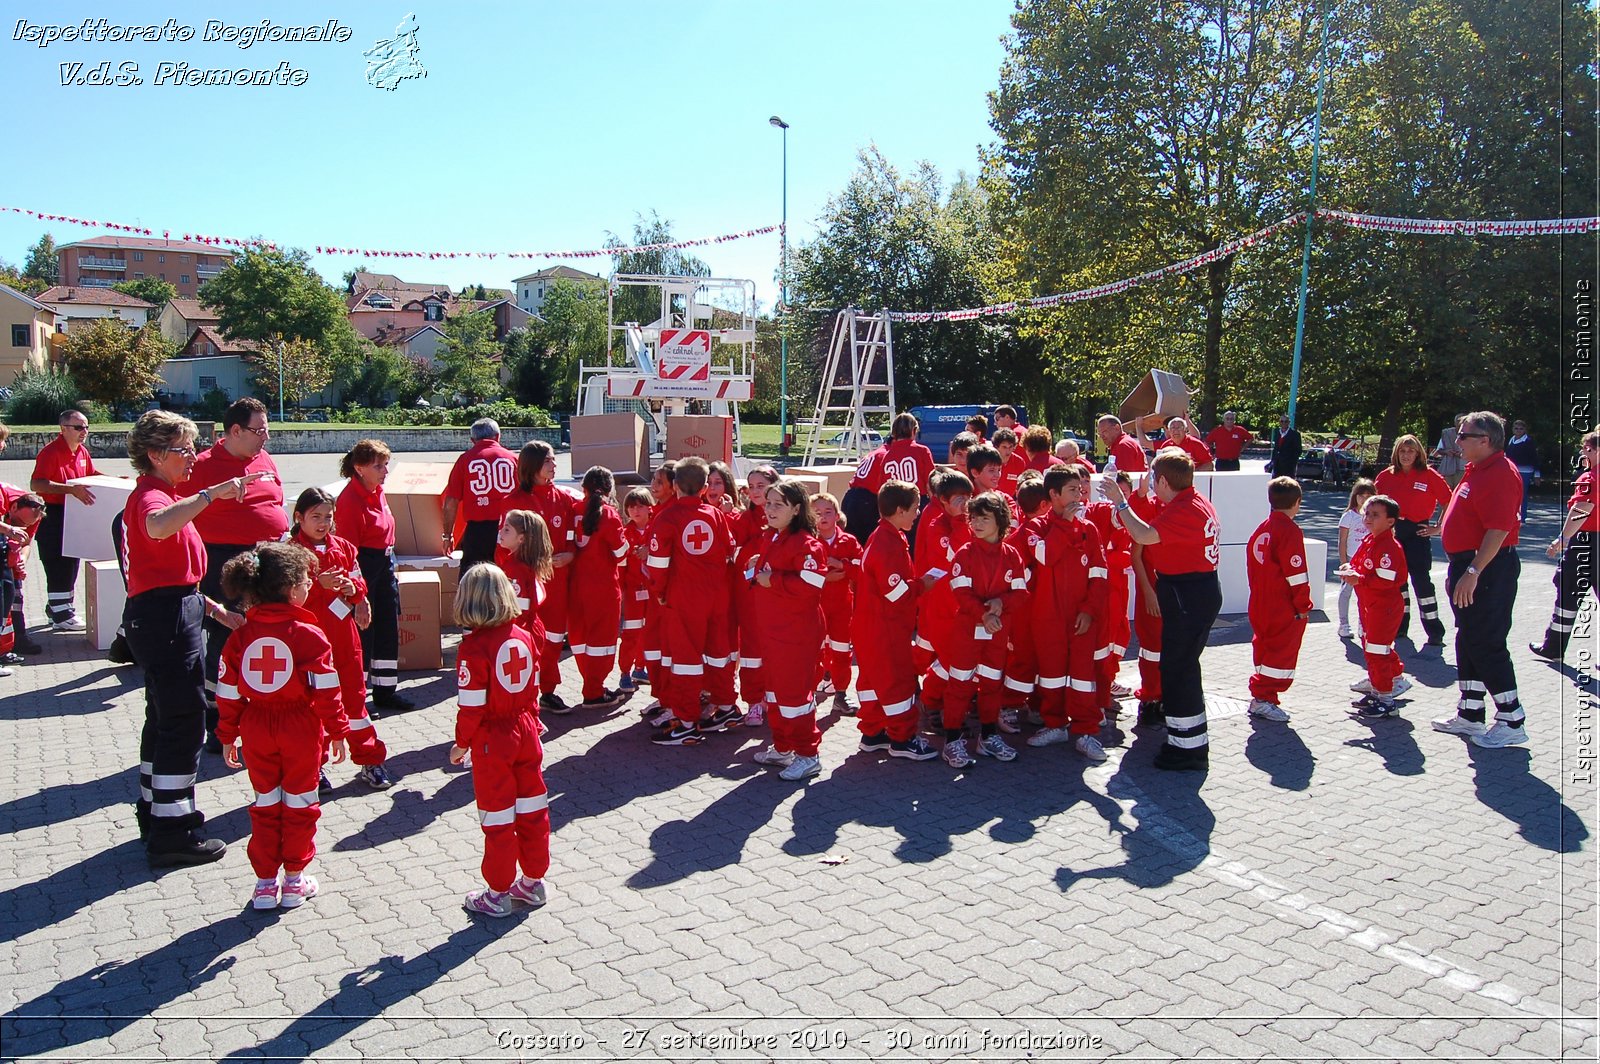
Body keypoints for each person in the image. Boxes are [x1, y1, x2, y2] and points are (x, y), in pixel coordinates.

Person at [123, 410, 265, 865]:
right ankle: (172, 831)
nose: (191, 457)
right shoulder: (152, 497)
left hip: (174, 610)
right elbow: (157, 527)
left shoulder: (165, 493)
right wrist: (210, 494)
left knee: (164, 716)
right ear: (155, 454)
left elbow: (173, 576)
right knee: (183, 721)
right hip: (163, 621)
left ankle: (154, 810)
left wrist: (212, 608)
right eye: (183, 449)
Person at [215, 541, 349, 910]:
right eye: (307, 580)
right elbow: (327, 691)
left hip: (256, 726)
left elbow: (227, 694)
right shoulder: (309, 634)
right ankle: (293, 880)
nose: (310, 586)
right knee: (301, 803)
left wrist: (228, 735)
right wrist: (337, 730)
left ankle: (263, 883)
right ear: (292, 589)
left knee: (265, 803)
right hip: (299, 726)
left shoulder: (240, 636)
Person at [177, 397, 287, 749]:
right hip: (225, 562)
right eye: (259, 430)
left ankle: (259, 713)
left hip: (266, 558)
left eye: (267, 429)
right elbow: (175, 515)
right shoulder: (204, 466)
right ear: (234, 431)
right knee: (227, 643)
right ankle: (217, 720)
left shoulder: (264, 458)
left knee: (265, 637)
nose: (266, 437)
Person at [1101, 451, 1221, 772]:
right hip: (1192, 592)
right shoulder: (1190, 503)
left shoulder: (1185, 510)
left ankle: (1188, 750)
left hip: (1188, 593)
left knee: (1179, 671)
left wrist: (1120, 502)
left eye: (1154, 479)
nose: (1152, 485)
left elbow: (1142, 535)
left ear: (1164, 481)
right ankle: (1187, 739)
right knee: (1180, 669)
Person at [450, 564, 552, 918]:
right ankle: (533, 881)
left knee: (498, 819)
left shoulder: (473, 648)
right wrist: (534, 722)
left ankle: (497, 892)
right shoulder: (524, 635)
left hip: (494, 738)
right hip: (526, 728)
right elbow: (534, 686)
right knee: (532, 810)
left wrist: (461, 743)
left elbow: (472, 708)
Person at [1429, 411, 1526, 747]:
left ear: (1485, 441)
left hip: (1487, 569)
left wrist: (1473, 571)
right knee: (1469, 637)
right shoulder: (1477, 468)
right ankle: (1470, 714)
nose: (1458, 441)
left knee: (1486, 642)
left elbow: (1498, 529)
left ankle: (1512, 719)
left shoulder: (1499, 473)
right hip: (1469, 565)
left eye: (1464, 436)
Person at [290, 487, 391, 789]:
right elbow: (283, 599)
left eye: (328, 517)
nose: (322, 523)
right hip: (307, 642)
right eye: (315, 517)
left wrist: (354, 590)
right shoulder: (290, 552)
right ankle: (315, 766)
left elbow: (359, 581)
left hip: (344, 639)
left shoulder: (345, 547)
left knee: (355, 701)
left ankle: (369, 759)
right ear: (299, 517)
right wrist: (318, 586)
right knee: (313, 706)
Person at [647, 457, 740, 744]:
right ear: (702, 488)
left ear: (675, 486)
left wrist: (660, 592)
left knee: (685, 661)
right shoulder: (714, 515)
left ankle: (687, 722)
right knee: (717, 652)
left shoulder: (667, 518)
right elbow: (729, 550)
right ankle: (726, 707)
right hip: (715, 595)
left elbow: (658, 564)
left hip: (684, 598)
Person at [1023, 465, 1109, 761]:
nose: (1080, 493)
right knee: (1051, 676)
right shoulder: (1036, 528)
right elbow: (1045, 556)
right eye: (1072, 490)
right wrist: (1066, 523)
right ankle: (1055, 724)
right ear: (1054, 494)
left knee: (1083, 677)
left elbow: (1099, 574)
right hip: (1047, 617)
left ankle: (1086, 732)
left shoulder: (1090, 529)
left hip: (1081, 617)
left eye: (1081, 488)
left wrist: (1089, 610)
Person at [937, 492, 1029, 768]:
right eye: (974, 517)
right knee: (959, 685)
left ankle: (988, 737)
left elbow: (1021, 592)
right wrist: (984, 614)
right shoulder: (965, 554)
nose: (976, 523)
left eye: (984, 518)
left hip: (998, 632)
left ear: (999, 522)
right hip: (967, 632)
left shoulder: (1012, 555)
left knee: (991, 684)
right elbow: (961, 593)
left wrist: (1001, 604)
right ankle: (952, 741)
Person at [746, 478, 830, 780]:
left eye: (777, 504)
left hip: (796, 634)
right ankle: (783, 748)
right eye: (768, 503)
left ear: (796, 509)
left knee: (795, 697)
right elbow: (764, 577)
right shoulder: (773, 537)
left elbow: (812, 584)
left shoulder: (807, 544)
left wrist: (774, 579)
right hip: (773, 632)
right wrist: (756, 570)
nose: (769, 509)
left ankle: (808, 754)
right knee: (776, 693)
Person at [853, 480, 937, 761]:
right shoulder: (887, 543)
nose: (917, 514)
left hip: (871, 627)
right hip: (885, 628)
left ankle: (873, 732)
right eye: (914, 509)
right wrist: (923, 584)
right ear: (900, 510)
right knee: (897, 681)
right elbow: (896, 593)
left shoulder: (884, 536)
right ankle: (902, 739)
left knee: (872, 680)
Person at [335, 439, 413, 712]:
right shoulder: (349, 500)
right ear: (359, 468)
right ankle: (357, 696)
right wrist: (358, 594)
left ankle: (385, 691)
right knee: (363, 634)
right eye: (378, 466)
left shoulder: (377, 491)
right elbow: (348, 552)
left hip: (384, 563)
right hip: (364, 565)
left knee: (387, 628)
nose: (385, 471)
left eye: (385, 465)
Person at [505, 441, 582, 714]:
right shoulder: (514, 503)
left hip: (557, 581)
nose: (555, 464)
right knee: (525, 639)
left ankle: (547, 690)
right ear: (534, 465)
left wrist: (571, 554)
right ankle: (524, 695)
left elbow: (573, 534)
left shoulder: (561, 497)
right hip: (525, 585)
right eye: (549, 460)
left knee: (552, 639)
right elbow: (503, 547)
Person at [1244, 478, 1314, 722]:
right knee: (1280, 653)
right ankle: (1264, 697)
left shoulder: (1261, 528)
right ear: (1297, 503)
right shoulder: (1289, 531)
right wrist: (1303, 605)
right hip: (1282, 604)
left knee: (1263, 648)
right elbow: (1296, 574)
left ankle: (1261, 695)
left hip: (1259, 601)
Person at [1373, 435, 1451, 647]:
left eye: (1410, 451)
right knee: (1397, 584)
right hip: (1393, 533)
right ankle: (1399, 627)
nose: (1406, 455)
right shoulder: (1385, 477)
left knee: (1422, 582)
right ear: (1397, 453)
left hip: (1418, 533)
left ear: (1418, 454)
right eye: (1402, 451)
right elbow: (1372, 505)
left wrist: (1438, 527)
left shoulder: (1428, 475)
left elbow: (1449, 501)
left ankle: (1434, 630)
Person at [1531, 428, 1599, 661]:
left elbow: (1581, 511)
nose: (1583, 452)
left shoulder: (1591, 478)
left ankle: (1553, 647)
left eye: (1586, 449)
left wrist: (1562, 539)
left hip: (1587, 543)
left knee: (1568, 593)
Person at [29, 408, 99, 634]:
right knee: (57, 564)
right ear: (63, 429)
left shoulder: (81, 452)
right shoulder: (51, 453)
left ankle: (60, 609)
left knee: (71, 563)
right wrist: (71, 490)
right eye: (78, 427)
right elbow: (37, 484)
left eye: (86, 427)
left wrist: (114, 480)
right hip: (53, 514)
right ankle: (61, 615)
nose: (84, 432)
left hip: (73, 515)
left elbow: (90, 473)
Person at [1340, 495, 1411, 717]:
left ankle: (1386, 699)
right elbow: (1361, 565)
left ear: (1390, 521)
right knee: (1371, 648)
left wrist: (1359, 579)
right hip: (1370, 606)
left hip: (1384, 608)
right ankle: (1384, 685)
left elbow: (1386, 581)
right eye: (1367, 513)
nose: (1368, 518)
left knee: (1377, 651)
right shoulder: (1370, 540)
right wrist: (1350, 568)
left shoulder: (1388, 546)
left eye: (1375, 515)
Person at [914, 471, 974, 715]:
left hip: (960, 602)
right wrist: (961, 521)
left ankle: (942, 701)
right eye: (959, 498)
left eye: (967, 497)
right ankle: (930, 699)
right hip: (941, 603)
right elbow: (955, 556)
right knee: (949, 658)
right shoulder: (937, 524)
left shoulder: (964, 520)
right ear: (944, 501)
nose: (965, 503)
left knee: (959, 656)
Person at [568, 466, 628, 710]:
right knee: (601, 642)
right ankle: (593, 690)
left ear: (584, 488)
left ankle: (589, 684)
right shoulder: (610, 514)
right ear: (609, 489)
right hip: (602, 587)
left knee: (581, 639)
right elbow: (621, 555)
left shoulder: (572, 510)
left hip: (575, 586)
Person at [841, 412, 935, 547]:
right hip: (912, 502)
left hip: (862, 498)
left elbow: (883, 488)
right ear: (914, 431)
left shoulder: (885, 454)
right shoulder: (921, 450)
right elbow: (931, 480)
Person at [731, 465, 779, 724]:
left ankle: (772, 697)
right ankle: (753, 701)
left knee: (773, 646)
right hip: (748, 593)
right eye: (752, 487)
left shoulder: (785, 517)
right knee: (750, 648)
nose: (756, 491)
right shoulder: (743, 519)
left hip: (774, 593)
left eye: (761, 486)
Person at [442, 418, 519, 573]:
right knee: (509, 576)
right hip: (511, 529)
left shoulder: (465, 460)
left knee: (472, 577)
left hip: (477, 531)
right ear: (498, 436)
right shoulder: (514, 459)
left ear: (472, 440)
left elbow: (451, 502)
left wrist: (448, 535)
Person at [811, 492, 861, 715]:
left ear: (837, 515)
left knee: (842, 651)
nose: (822, 517)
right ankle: (809, 694)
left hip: (842, 607)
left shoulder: (848, 541)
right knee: (814, 652)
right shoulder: (809, 542)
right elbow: (801, 573)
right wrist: (825, 576)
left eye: (827, 512)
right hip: (815, 608)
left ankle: (840, 694)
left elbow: (863, 569)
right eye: (817, 513)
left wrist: (842, 565)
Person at [0, 487, 45, 677]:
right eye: (18, 521)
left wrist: (21, 562)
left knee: (12, 597)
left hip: (6, 554)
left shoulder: (34, 514)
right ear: (14, 507)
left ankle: (15, 639)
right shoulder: (2, 497)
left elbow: (26, 543)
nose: (21, 527)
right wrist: (9, 530)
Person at [617, 487, 655, 694]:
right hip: (633, 593)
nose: (635, 511)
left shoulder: (658, 530)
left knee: (649, 632)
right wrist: (622, 591)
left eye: (640, 506)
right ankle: (624, 672)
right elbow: (620, 567)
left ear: (650, 508)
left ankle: (640, 668)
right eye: (631, 507)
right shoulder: (624, 535)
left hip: (654, 591)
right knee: (631, 633)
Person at [1336, 480, 1377, 640]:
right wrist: (1343, 561)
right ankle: (1343, 624)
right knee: (1346, 591)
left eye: (1369, 495)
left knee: (1365, 594)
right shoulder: (1349, 516)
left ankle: (1363, 624)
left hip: (1369, 561)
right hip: (1352, 560)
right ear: (1355, 496)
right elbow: (1342, 541)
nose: (1365, 498)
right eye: (1361, 495)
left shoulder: (1376, 516)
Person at [1505, 420, 1538, 524]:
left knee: (1522, 494)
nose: (1518, 430)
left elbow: (1535, 458)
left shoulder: (1528, 441)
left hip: (1525, 471)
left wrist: (1537, 474)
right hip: (1512, 470)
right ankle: (1512, 515)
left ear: (1525, 430)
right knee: (1511, 494)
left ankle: (1522, 517)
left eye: (1521, 428)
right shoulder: (1511, 440)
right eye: (1516, 428)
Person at [1432, 415, 1467, 488]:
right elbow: (1439, 450)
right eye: (1458, 421)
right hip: (1448, 468)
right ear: (1454, 423)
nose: (1459, 423)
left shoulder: (1471, 434)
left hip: (1463, 468)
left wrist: (1462, 454)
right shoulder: (1447, 433)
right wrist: (1446, 452)